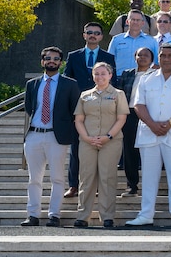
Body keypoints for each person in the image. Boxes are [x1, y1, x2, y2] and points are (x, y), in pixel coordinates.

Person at [126, 44, 171, 227]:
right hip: (149, 133)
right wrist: (152, 124)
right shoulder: (146, 79)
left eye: (170, 55)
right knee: (149, 177)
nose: (166, 59)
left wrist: (170, 123)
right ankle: (146, 215)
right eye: (163, 55)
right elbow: (138, 105)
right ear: (158, 57)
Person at [21, 47, 81, 227]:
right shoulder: (32, 84)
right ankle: (33, 215)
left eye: (55, 59)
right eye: (48, 58)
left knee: (57, 178)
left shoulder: (70, 84)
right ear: (42, 62)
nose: (51, 61)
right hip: (34, 135)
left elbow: (75, 110)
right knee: (34, 178)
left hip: (57, 137)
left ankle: (54, 215)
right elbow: (29, 106)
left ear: (61, 63)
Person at [62, 22, 117, 200]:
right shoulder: (73, 56)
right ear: (84, 35)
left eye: (96, 33)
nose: (93, 35)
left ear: (101, 37)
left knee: (100, 148)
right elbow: (67, 81)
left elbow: (112, 82)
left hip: (101, 108)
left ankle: (99, 185)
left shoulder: (108, 57)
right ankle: (74, 185)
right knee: (77, 148)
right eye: (89, 32)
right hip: (78, 108)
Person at [72, 61, 128, 228]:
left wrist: (108, 136)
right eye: (97, 73)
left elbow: (121, 118)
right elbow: (79, 119)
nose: (100, 76)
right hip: (87, 142)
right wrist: (87, 137)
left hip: (110, 142)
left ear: (110, 75)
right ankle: (83, 216)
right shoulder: (85, 95)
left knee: (107, 178)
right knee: (86, 178)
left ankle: (107, 216)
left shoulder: (118, 94)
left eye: (103, 73)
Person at [118, 47, 155, 198]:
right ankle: (131, 185)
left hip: (149, 115)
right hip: (130, 114)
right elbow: (120, 95)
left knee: (148, 152)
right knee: (129, 151)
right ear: (135, 57)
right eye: (140, 54)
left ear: (152, 59)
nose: (143, 57)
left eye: (146, 55)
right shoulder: (128, 74)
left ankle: (149, 186)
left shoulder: (156, 75)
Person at [108, 10, 158, 76]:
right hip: (120, 78)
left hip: (143, 78)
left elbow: (157, 63)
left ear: (143, 23)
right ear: (127, 22)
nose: (135, 22)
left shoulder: (151, 41)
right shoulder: (116, 40)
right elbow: (108, 61)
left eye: (138, 20)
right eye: (133, 19)